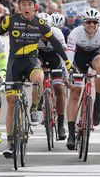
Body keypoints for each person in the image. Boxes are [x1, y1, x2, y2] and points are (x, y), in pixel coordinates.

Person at [0, 0, 71, 158]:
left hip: (31, 62)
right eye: (23, 4)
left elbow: (55, 43)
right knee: (11, 101)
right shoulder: (10, 20)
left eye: (29, 4)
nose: (26, 7)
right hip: (14, 64)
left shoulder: (40, 23)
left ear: (34, 7)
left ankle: (33, 108)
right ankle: (10, 143)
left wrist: (67, 63)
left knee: (39, 78)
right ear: (18, 6)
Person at [65, 7, 100, 150]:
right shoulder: (75, 33)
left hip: (95, 55)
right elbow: (69, 56)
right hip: (78, 58)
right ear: (83, 23)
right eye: (89, 22)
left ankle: (97, 103)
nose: (92, 25)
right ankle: (71, 134)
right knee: (75, 93)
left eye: (95, 22)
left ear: (99, 23)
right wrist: (68, 74)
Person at [37, 12, 67, 140]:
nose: (43, 33)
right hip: (40, 57)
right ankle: (41, 97)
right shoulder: (33, 33)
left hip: (56, 59)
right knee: (38, 77)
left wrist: (65, 72)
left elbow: (63, 55)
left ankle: (61, 124)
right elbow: (31, 55)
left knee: (59, 88)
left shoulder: (57, 33)